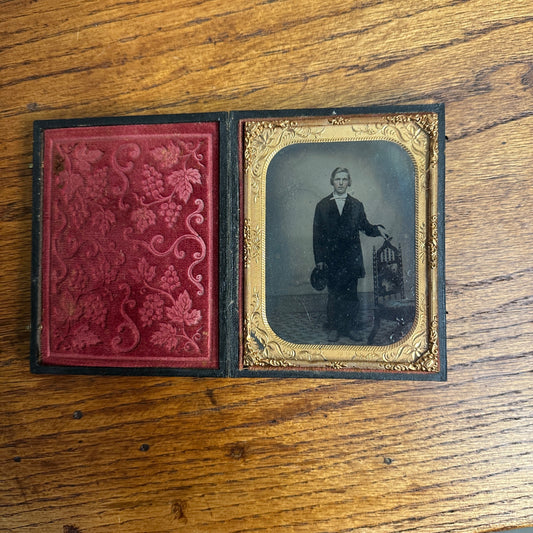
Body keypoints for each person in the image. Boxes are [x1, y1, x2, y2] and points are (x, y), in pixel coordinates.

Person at [313, 167, 385, 342]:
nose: (341, 183)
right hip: (331, 260)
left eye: (344, 179)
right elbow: (317, 235)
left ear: (349, 182)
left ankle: (349, 328)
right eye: (338, 179)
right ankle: (335, 329)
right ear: (332, 181)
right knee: (334, 295)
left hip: (351, 259)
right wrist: (320, 260)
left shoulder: (356, 205)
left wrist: (379, 230)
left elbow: (366, 228)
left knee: (352, 295)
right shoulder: (322, 205)